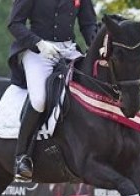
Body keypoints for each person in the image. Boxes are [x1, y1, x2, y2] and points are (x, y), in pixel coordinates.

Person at [7, 0, 97, 182]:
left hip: (69, 50)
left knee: (92, 87)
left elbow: (88, 25)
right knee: (40, 99)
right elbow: (15, 24)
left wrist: (96, 49)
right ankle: (22, 157)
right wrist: (38, 43)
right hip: (38, 51)